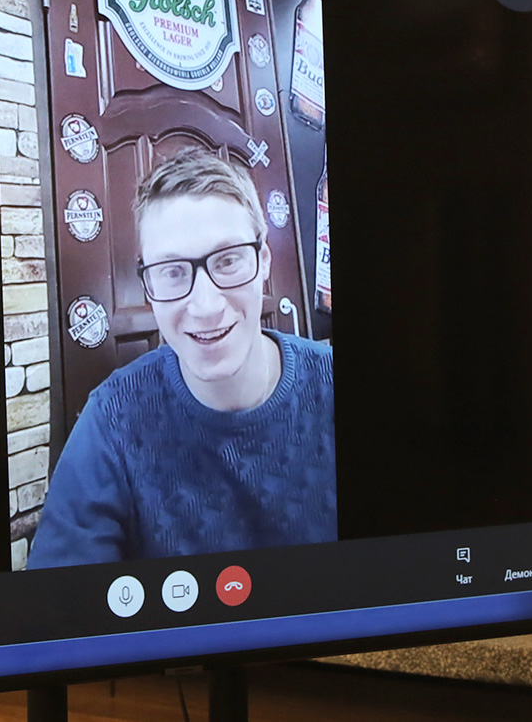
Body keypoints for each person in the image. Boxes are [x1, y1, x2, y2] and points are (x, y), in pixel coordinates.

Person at [29, 148, 335, 568]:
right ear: (148, 285)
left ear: (263, 261)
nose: (206, 306)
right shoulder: (113, 420)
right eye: (173, 271)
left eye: (228, 260)